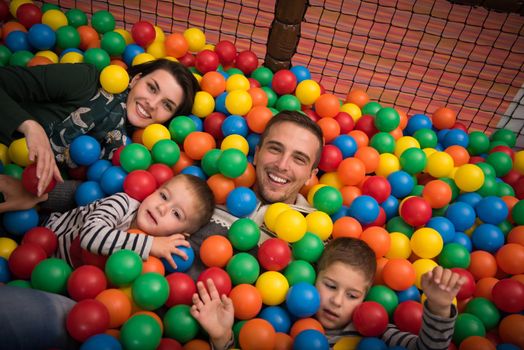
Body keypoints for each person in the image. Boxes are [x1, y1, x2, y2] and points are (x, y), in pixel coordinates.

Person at [0, 173, 214, 349]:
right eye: (164, 196)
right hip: (45, 239)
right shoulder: (121, 203)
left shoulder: (154, 261)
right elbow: (91, 237)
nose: (162, 208)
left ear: (181, 235)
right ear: (153, 190)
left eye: (176, 214)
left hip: (65, 285)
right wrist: (150, 244)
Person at [191, 237, 466, 349]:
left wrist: (440, 308)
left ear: (366, 297)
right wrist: (222, 336)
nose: (336, 301)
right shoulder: (277, 318)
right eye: (331, 286)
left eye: (352, 295)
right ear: (314, 276)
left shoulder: (377, 332)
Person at [0, 59, 199, 197]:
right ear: (136, 79)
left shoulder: (132, 155)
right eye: (152, 88)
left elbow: (85, 193)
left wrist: (36, 197)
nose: (152, 104)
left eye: (167, 105)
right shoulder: (86, 80)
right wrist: (30, 126)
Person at [186, 110, 324, 279]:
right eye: (275, 149)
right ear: (257, 154)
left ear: (311, 175)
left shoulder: (316, 235)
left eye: (299, 159)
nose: (282, 165)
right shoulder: (208, 194)